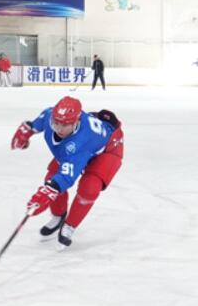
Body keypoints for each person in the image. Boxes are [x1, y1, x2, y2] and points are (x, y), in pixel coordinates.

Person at [11, 97, 124, 247]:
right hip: (82, 146)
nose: (58, 128)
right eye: (56, 123)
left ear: (76, 122)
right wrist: (28, 130)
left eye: (65, 125)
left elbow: (66, 177)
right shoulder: (51, 115)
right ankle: (59, 216)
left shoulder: (80, 142)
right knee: (51, 178)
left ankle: (70, 225)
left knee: (89, 188)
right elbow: (40, 121)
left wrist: (48, 192)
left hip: (109, 148)